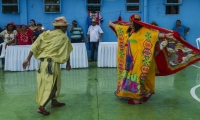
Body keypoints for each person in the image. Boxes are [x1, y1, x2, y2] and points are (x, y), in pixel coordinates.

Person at [108, 14, 174, 104]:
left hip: (139, 59)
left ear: (136, 23)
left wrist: (166, 36)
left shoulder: (144, 31)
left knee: (137, 77)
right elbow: (119, 28)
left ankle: (137, 99)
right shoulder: (130, 30)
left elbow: (155, 34)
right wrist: (112, 24)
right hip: (129, 59)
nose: (129, 23)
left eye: (131, 22)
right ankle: (145, 92)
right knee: (130, 76)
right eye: (130, 21)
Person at [22, 16, 73, 115]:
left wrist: (27, 59)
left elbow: (34, 46)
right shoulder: (63, 37)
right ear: (60, 27)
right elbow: (67, 51)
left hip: (42, 64)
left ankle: (53, 101)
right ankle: (42, 107)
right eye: (65, 27)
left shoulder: (45, 34)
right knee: (54, 87)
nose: (66, 29)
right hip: (52, 64)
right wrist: (68, 63)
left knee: (48, 83)